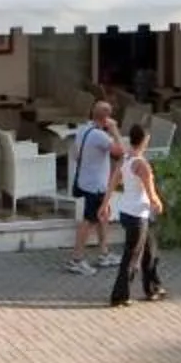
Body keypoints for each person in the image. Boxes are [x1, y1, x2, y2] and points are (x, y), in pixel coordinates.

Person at [107, 122, 166, 307]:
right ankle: (119, 295)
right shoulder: (142, 164)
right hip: (138, 215)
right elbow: (150, 192)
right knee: (132, 255)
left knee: (150, 251)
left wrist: (105, 204)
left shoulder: (125, 159)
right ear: (145, 140)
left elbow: (113, 182)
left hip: (128, 211)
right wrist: (158, 203)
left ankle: (153, 287)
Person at [63, 100, 118, 273]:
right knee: (89, 221)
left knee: (104, 215)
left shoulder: (82, 130)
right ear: (107, 118)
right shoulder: (100, 136)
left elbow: (76, 154)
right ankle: (76, 259)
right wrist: (115, 130)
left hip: (87, 182)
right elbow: (121, 151)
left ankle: (104, 252)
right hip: (96, 185)